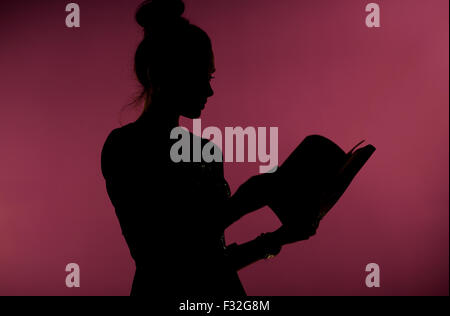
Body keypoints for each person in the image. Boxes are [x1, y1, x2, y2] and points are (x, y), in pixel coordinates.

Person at [100, 0, 316, 297]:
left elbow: (211, 261)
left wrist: (278, 238)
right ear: (160, 74)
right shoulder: (126, 148)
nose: (209, 90)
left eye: (209, 78)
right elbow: (161, 259)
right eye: (199, 78)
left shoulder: (206, 151)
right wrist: (243, 202)